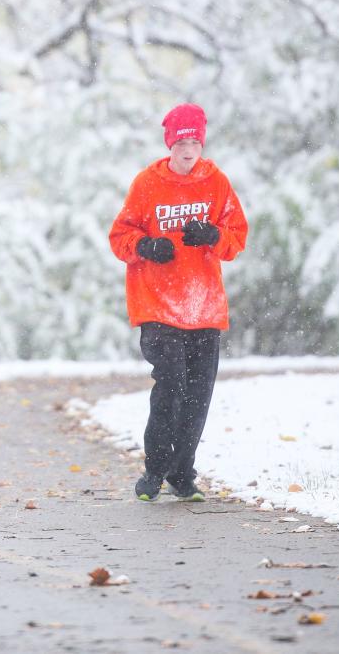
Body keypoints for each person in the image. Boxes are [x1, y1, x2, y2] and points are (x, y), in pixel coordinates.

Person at [109, 104, 248, 502]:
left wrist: (212, 236)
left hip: (204, 308)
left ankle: (182, 474)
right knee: (171, 387)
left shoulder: (216, 182)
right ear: (170, 143)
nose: (188, 150)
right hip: (157, 305)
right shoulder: (147, 184)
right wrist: (147, 246)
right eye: (181, 142)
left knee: (198, 395)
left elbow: (237, 235)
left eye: (194, 142)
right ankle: (154, 471)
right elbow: (119, 237)